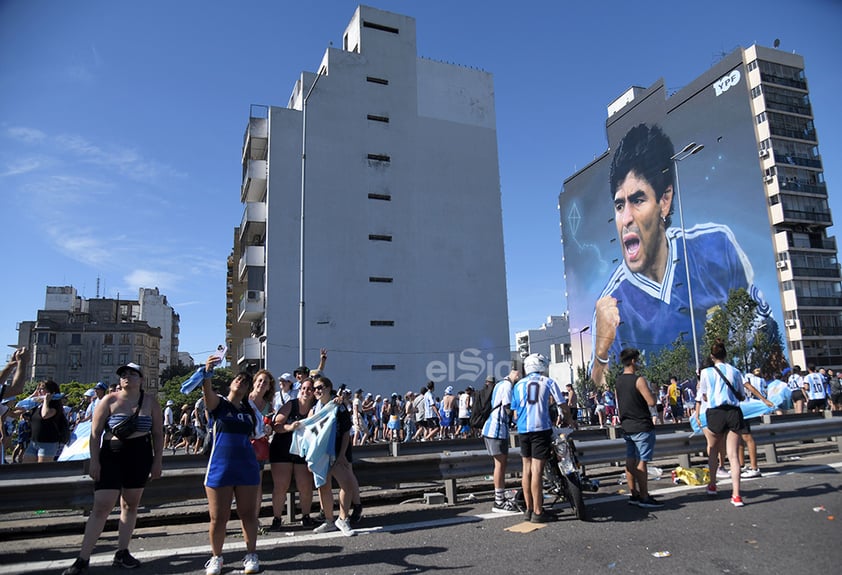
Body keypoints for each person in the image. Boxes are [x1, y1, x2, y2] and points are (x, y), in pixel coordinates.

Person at [590, 123, 775, 386]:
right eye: (620, 205)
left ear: (664, 201)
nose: (627, 218)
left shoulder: (716, 247)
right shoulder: (611, 304)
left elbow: (758, 328)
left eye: (638, 200)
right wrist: (601, 352)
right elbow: (598, 389)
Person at [61, 362, 163, 575]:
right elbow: (95, 434)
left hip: (140, 455)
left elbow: (157, 434)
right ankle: (83, 557)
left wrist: (157, 461)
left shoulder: (151, 402)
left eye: (132, 374)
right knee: (102, 506)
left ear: (141, 379)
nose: (126, 377)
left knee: (131, 505)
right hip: (112, 454)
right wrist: (95, 461)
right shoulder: (109, 400)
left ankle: (122, 552)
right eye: (123, 374)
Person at [201, 356, 261, 575]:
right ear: (230, 383)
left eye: (246, 382)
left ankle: (251, 554)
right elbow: (207, 394)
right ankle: (216, 557)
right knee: (219, 517)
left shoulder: (249, 412)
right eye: (238, 379)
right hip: (220, 467)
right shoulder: (218, 404)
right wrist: (207, 372)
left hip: (246, 467)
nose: (241, 383)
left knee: (248, 514)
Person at [511, 354, 572, 522]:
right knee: (537, 470)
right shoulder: (547, 382)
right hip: (541, 428)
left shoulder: (518, 385)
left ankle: (529, 509)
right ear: (541, 367)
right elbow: (562, 405)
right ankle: (538, 511)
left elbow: (514, 412)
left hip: (523, 429)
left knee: (526, 469)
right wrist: (570, 420)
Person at [697, 340, 748, 507]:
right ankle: (736, 495)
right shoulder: (735, 371)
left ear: (712, 357)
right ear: (726, 354)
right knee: (733, 454)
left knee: (713, 449)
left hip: (715, 413)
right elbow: (742, 394)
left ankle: (712, 485)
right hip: (733, 412)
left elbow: (703, 395)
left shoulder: (706, 372)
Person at [614, 348, 663, 509]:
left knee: (630, 459)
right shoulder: (639, 380)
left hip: (627, 425)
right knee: (642, 461)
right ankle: (644, 496)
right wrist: (654, 393)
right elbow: (651, 402)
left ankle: (633, 493)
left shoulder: (618, 381)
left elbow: (619, 404)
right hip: (641, 424)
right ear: (633, 361)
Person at [268, 377, 316, 531]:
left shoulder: (316, 407)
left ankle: (306, 516)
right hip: (282, 447)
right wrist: (290, 427)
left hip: (303, 450)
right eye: (303, 388)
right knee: (281, 485)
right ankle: (277, 518)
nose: (306, 392)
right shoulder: (291, 405)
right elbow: (276, 425)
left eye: (309, 389)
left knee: (305, 485)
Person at [310, 376, 357, 536]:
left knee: (347, 484)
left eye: (321, 387)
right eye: (315, 388)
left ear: (329, 388)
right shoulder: (315, 407)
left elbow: (346, 432)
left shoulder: (339, 406)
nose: (317, 390)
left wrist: (342, 454)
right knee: (323, 486)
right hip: (320, 452)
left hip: (336, 450)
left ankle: (343, 519)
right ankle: (329, 520)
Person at [480, 372, 515, 513]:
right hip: (497, 430)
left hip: (491, 428)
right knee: (500, 465)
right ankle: (499, 501)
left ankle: (499, 498)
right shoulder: (507, 385)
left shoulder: (500, 384)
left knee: (500, 464)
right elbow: (507, 408)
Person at [22, 380, 68, 463]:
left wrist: (46, 401)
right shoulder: (37, 405)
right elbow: (19, 406)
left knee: (42, 470)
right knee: (26, 468)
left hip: (48, 443)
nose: (39, 391)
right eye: (38, 389)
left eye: (42, 389)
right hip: (33, 442)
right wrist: (33, 395)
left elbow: (45, 415)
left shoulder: (54, 407)